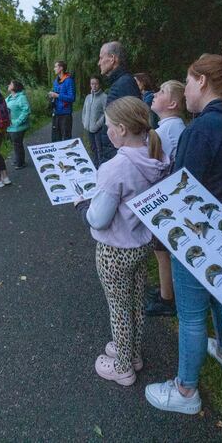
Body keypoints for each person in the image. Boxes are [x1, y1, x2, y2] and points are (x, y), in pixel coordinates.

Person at [145, 54, 222, 414]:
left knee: (191, 314)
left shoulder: (202, 129)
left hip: (199, 234)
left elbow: (184, 188)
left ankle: (185, 391)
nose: (186, 88)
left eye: (187, 79)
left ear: (201, 82)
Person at [75, 97, 169, 386]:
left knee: (118, 307)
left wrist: (81, 205)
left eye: (109, 126)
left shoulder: (115, 168)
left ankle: (124, 367)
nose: (106, 132)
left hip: (115, 249)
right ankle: (133, 352)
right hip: (141, 244)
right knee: (136, 302)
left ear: (123, 129)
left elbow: (98, 219)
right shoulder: (156, 157)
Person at [145, 80, 186, 317]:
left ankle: (167, 297)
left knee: (162, 250)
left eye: (160, 92)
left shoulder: (162, 132)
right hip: (173, 197)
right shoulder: (176, 127)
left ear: (171, 103)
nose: (154, 94)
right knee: (162, 249)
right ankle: (165, 289)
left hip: (164, 199)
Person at [96, 41, 141, 161]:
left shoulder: (124, 83)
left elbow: (134, 125)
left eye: (101, 58)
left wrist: (117, 160)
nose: (99, 63)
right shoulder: (120, 82)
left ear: (112, 58)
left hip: (117, 156)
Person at [82, 76, 107, 165]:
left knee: (100, 149)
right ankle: (95, 166)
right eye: (92, 84)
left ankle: (101, 167)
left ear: (99, 84)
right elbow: (84, 111)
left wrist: (97, 124)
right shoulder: (88, 97)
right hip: (89, 129)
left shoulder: (104, 97)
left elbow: (106, 113)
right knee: (93, 149)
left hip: (98, 129)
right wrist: (84, 121)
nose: (94, 86)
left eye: (96, 83)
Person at [6, 80, 31, 169]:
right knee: (16, 143)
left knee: (17, 143)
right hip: (10, 126)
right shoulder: (9, 97)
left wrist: (18, 122)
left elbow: (26, 110)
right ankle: (18, 160)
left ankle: (21, 163)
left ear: (15, 87)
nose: (8, 85)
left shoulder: (21, 97)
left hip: (18, 126)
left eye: (10, 84)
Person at [50, 60, 76, 141]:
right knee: (55, 139)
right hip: (56, 113)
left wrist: (57, 95)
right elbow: (55, 95)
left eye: (55, 67)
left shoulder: (69, 81)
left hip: (65, 115)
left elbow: (72, 98)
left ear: (61, 68)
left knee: (66, 139)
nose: (54, 69)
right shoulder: (55, 81)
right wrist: (51, 96)